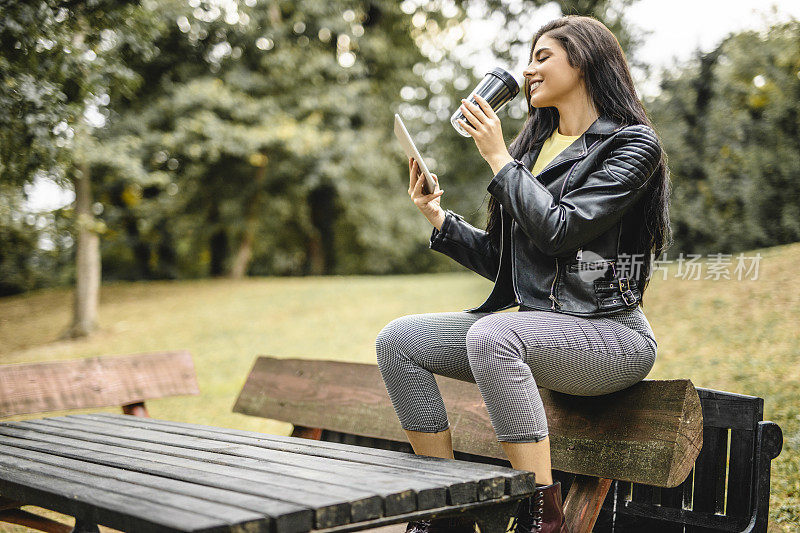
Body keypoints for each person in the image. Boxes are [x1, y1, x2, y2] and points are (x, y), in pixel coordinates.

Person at [376, 14, 670, 533]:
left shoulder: (632, 145)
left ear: (583, 60)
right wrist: (438, 217)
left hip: (609, 337)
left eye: (542, 57)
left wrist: (496, 156)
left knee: (494, 332)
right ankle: (444, 509)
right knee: (398, 340)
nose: (528, 70)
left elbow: (562, 230)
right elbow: (505, 262)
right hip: (531, 333)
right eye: (528, 59)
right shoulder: (530, 148)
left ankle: (540, 516)